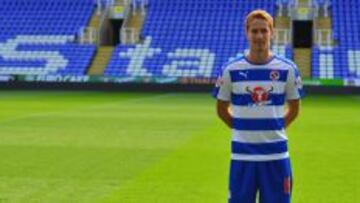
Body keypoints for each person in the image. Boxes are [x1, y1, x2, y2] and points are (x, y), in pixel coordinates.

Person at [213, 9, 304, 203]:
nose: (259, 36)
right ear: (247, 32)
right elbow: (221, 110)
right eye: (254, 31)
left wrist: (274, 126)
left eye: (264, 31)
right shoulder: (230, 69)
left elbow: (295, 109)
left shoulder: (287, 69)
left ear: (272, 32)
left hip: (276, 155)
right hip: (242, 156)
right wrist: (243, 128)